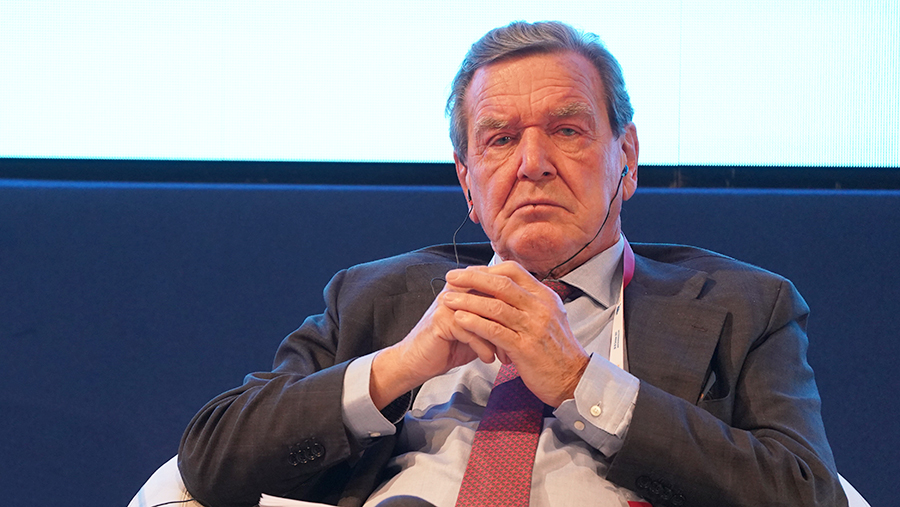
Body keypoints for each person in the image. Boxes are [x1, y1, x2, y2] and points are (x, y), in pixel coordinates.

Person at [179, 21, 847, 507]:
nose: (532, 164)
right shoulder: (375, 296)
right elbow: (211, 458)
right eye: (499, 140)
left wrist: (582, 382)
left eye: (566, 130)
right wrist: (400, 366)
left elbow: (806, 493)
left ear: (627, 158)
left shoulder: (742, 306)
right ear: (467, 182)